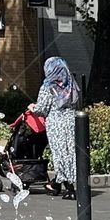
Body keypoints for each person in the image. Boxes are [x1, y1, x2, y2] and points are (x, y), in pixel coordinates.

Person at [34, 56, 80, 198]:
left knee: (59, 154)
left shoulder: (48, 86)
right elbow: (77, 103)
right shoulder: (71, 84)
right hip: (71, 122)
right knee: (70, 153)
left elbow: (42, 109)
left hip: (56, 123)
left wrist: (33, 108)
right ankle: (57, 184)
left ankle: (70, 189)